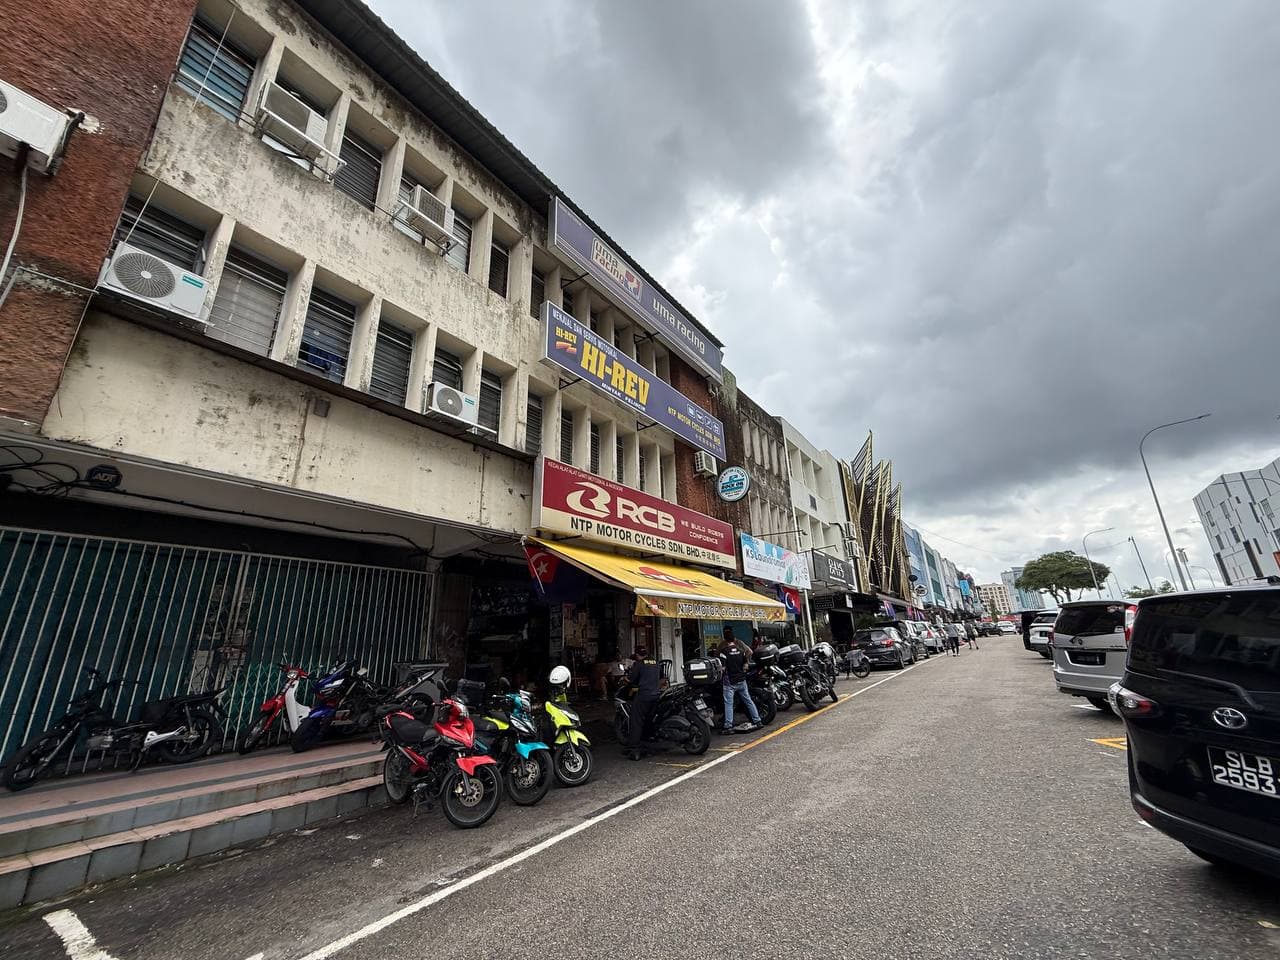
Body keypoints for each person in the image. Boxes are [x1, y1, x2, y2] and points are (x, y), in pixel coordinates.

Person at [623, 645, 663, 761]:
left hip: (644, 695)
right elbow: (661, 678)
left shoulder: (639, 664)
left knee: (636, 719)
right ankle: (647, 740)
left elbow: (631, 680)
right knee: (649, 718)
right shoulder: (655, 662)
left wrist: (625, 679)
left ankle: (634, 748)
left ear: (637, 655)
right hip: (656, 695)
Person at [719, 629, 761, 733]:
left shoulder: (723, 653)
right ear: (734, 639)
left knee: (728, 703)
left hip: (730, 682)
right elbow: (746, 665)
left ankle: (728, 726)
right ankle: (757, 721)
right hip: (741, 680)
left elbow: (723, 668)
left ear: (725, 640)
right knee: (748, 700)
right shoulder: (741, 651)